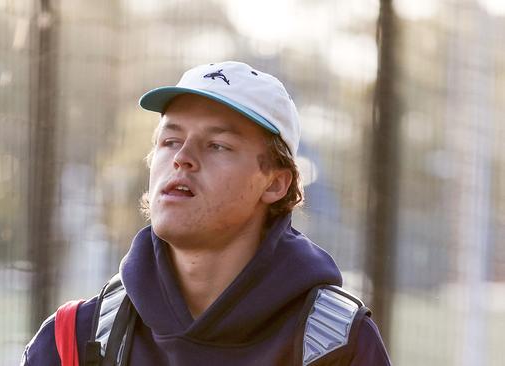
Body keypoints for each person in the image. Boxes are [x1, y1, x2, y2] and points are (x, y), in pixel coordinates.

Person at [21, 61, 391, 366]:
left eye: (217, 145)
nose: (182, 157)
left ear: (276, 183)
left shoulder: (339, 347)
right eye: (170, 140)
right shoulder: (75, 341)